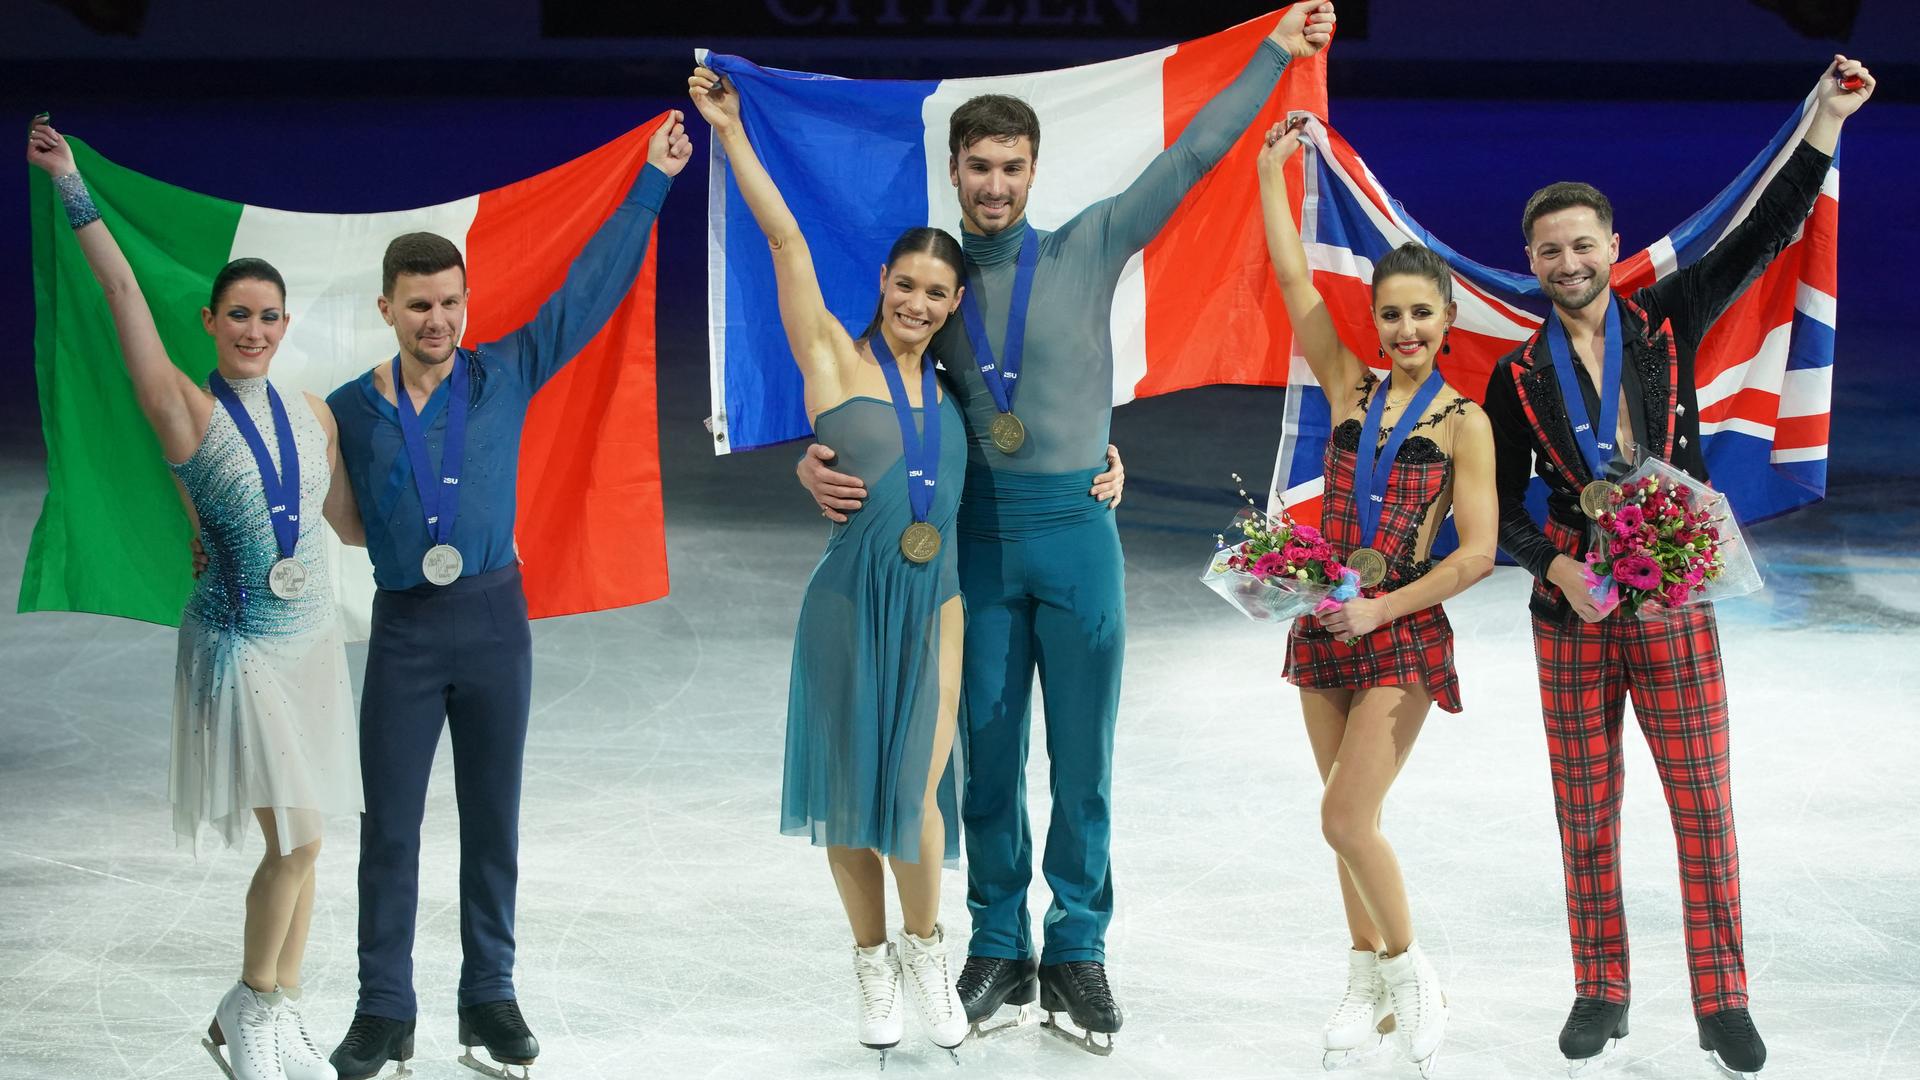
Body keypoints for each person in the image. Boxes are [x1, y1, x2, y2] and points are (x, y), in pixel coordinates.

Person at [797, 3, 1338, 1050]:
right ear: (952, 173)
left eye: (1011, 166)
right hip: (980, 544)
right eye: (978, 167)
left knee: (1083, 760)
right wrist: (814, 464)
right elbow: (861, 395)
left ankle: (1078, 948)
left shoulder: (1091, 242)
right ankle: (999, 944)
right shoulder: (934, 287)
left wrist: (1272, 53)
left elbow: (1191, 159)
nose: (994, 184)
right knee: (985, 757)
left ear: (1032, 171)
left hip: (1079, 536)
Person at [1481, 57, 1874, 1080]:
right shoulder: (1512, 374)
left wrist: (1826, 119)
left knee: (1702, 805)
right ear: (1529, 259)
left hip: (1670, 600)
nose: (1568, 260)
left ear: (1613, 247)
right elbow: (1496, 512)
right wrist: (1555, 564)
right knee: (1586, 809)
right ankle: (1600, 990)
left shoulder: (1665, 321)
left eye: (1583, 243)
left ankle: (1724, 1000)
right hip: (1570, 612)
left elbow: (1765, 232)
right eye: (1549, 248)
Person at [321, 113, 690, 1080]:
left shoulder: (506, 372)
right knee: (389, 827)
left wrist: (650, 181)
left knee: (492, 819)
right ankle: (382, 1010)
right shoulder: (353, 410)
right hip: (405, 629)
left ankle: (489, 998)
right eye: (417, 306)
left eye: (448, 302)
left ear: (465, 301)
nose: (436, 320)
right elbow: (344, 518)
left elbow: (591, 291)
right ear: (386, 309)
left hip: (492, 621)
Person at [29, 117, 364, 1080]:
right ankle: (248, 1008)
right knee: (295, 838)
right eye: (238, 315)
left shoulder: (311, 417)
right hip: (241, 642)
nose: (254, 329)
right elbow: (122, 289)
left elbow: (342, 524)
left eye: (269, 317)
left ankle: (283, 1006)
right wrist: (73, 186)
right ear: (210, 325)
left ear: (285, 327)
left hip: (308, 640)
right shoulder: (186, 409)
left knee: (315, 837)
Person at [689, 64, 973, 1068]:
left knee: (915, 794)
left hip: (934, 605)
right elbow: (785, 239)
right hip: (849, 605)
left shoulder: (959, 390)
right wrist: (730, 133)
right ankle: (871, 964)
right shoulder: (831, 359)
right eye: (906, 284)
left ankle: (929, 951)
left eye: (938, 292)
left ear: (950, 305)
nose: (918, 302)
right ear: (884, 285)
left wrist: (1105, 468)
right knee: (852, 800)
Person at [1256, 116, 1496, 1076]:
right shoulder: (1348, 389)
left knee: (1345, 821)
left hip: (1396, 630)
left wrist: (1381, 608)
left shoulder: (1464, 421)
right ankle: (1365, 980)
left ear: (1445, 321)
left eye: (1420, 316)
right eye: (1390, 314)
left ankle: (1411, 976)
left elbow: (1475, 556)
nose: (1403, 330)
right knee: (1343, 819)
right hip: (1327, 623)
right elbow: (1290, 283)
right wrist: (1274, 172)